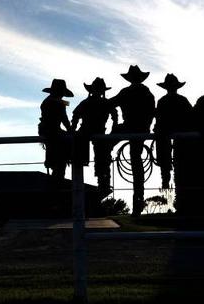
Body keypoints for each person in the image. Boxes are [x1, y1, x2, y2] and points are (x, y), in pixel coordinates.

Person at [110, 65, 155, 216]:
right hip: (140, 129)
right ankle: (138, 198)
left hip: (130, 127)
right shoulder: (146, 92)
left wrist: (115, 120)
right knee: (136, 159)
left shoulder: (126, 92)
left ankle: (103, 171)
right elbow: (152, 112)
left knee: (109, 145)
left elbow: (110, 103)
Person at [72, 77, 118, 197]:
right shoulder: (106, 103)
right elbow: (115, 116)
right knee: (102, 158)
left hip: (86, 133)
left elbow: (75, 114)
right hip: (97, 133)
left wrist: (73, 129)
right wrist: (114, 130)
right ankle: (103, 183)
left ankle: (102, 182)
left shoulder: (87, 102)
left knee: (98, 158)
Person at [154, 73, 193, 214]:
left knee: (167, 165)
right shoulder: (182, 100)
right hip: (180, 136)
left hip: (165, 136)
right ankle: (179, 199)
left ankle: (169, 192)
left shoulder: (162, 101)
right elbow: (191, 116)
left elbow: (158, 120)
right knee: (179, 166)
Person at [38, 79, 73, 183]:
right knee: (60, 161)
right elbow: (64, 119)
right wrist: (70, 130)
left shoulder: (47, 101)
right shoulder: (58, 103)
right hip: (53, 131)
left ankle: (52, 164)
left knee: (54, 157)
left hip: (46, 130)